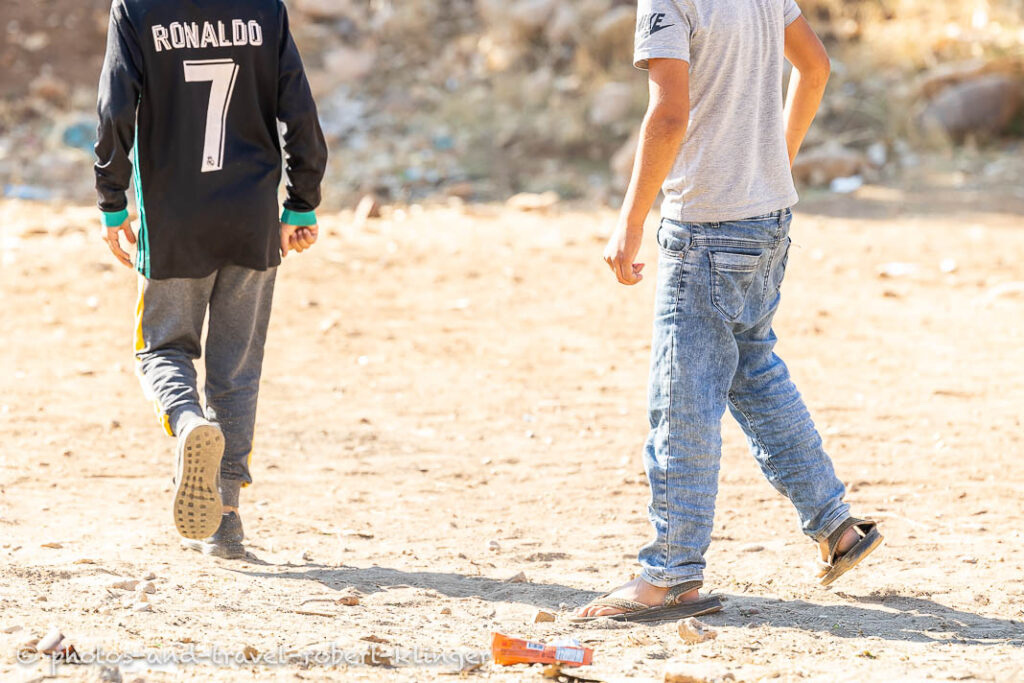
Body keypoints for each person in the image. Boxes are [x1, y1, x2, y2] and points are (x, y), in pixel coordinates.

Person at [573, 0, 881, 622]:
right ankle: (836, 526)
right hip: (767, 219)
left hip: (707, 228)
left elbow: (668, 114)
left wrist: (631, 221)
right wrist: (778, 157)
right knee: (754, 374)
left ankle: (670, 576)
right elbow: (815, 67)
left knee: (682, 399)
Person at [95, 0, 327, 559]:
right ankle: (225, 521)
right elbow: (298, 108)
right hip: (249, 218)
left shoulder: (138, 8)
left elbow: (114, 109)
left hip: (175, 221)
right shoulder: (263, 9)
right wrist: (301, 203)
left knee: (160, 349)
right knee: (236, 367)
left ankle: (187, 419)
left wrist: (111, 201)